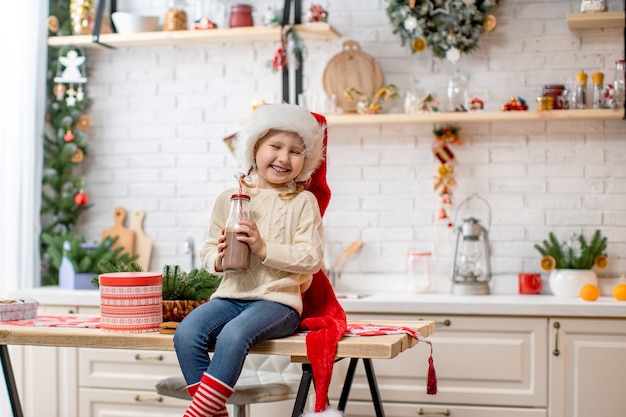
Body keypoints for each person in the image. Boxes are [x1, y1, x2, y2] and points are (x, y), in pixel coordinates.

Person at [173, 103, 328, 417]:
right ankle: (212, 413)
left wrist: (263, 248)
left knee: (234, 334)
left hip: (278, 302)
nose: (284, 157)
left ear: (306, 161)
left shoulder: (303, 202)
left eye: (296, 151)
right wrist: (216, 259)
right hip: (231, 295)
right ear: (255, 147)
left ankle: (198, 413)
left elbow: (311, 258)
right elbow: (206, 251)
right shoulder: (230, 199)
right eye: (275, 146)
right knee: (186, 334)